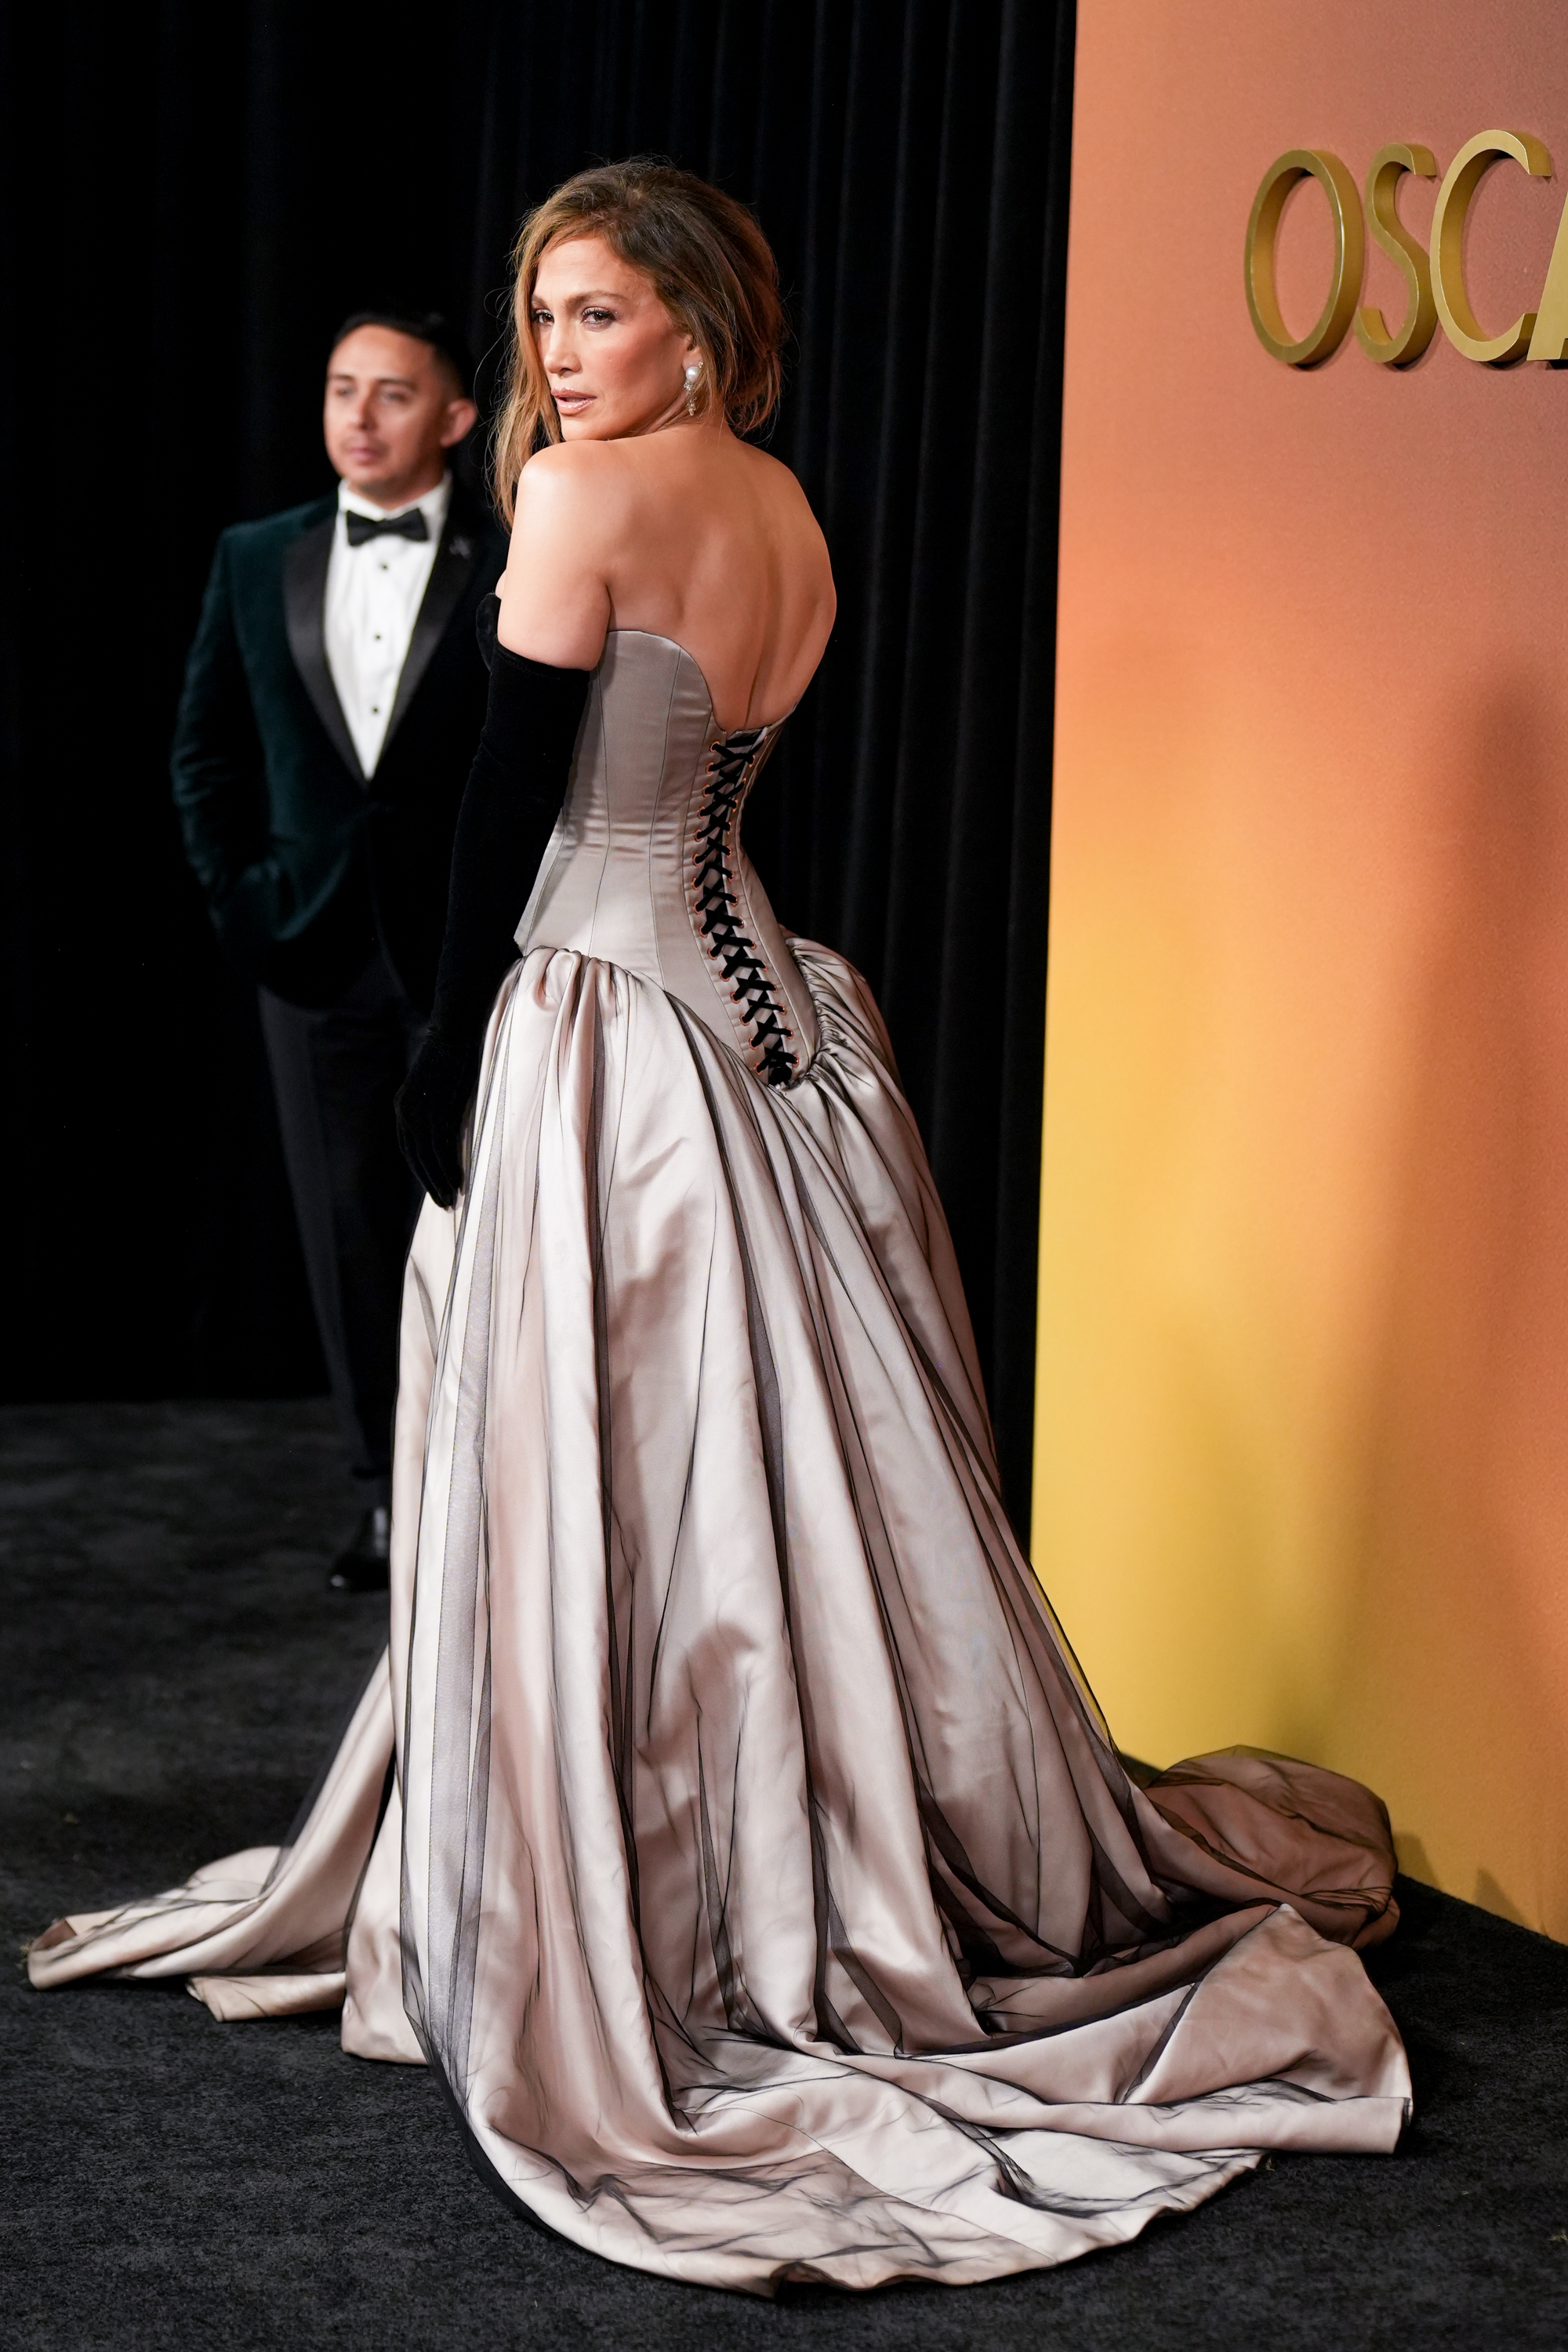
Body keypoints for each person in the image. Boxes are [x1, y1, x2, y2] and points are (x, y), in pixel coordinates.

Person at [30, 165, 1410, 2294]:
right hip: (765, 1013)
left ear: (689, 320)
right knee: (765, 1486)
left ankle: (651, 1882)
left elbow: (490, 814)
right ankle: (800, 1846)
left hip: (598, 1022)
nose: (555, 357)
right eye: (543, 318)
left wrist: (440, 1043)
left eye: (591, 313)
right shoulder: (788, 511)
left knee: (629, 1477)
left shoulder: (584, 499)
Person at [170, 310, 507, 1592]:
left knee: (485, 1226)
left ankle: (496, 1493)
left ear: (455, 419)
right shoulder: (255, 556)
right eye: (339, 392)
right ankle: (385, 1496)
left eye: (391, 395)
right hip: (309, 950)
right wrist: (242, 898)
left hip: (468, 950)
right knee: (348, 1236)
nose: (358, 418)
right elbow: (203, 750)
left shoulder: (513, 551)